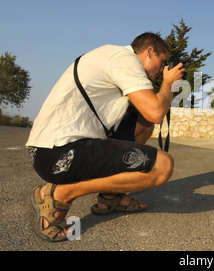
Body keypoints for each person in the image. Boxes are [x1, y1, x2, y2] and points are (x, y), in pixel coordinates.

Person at [26, 32, 185, 241]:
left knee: (142, 124)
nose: (163, 69)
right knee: (162, 166)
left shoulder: (113, 58)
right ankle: (60, 194)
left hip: (60, 146)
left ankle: (111, 198)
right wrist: (168, 84)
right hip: (57, 152)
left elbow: (147, 116)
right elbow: (155, 112)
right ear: (149, 51)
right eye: (162, 61)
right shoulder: (124, 59)